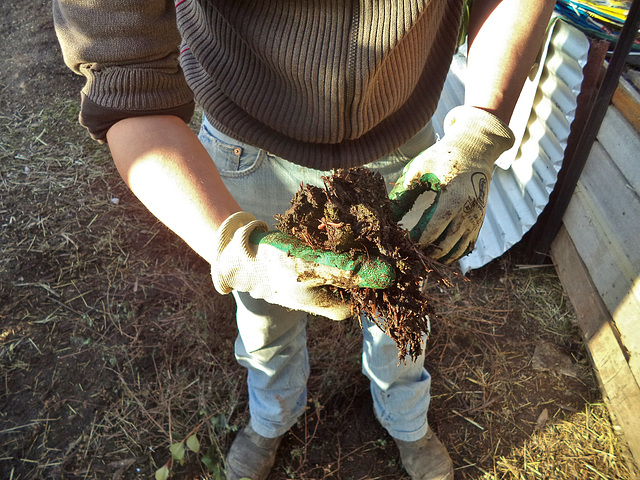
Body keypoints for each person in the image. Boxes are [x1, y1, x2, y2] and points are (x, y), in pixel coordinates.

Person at [53, 1, 555, 478]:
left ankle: (406, 419)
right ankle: (271, 417)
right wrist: (232, 248)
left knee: (403, 305)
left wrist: (479, 133)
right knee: (264, 311)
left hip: (401, 142)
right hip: (247, 148)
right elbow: (124, 79)